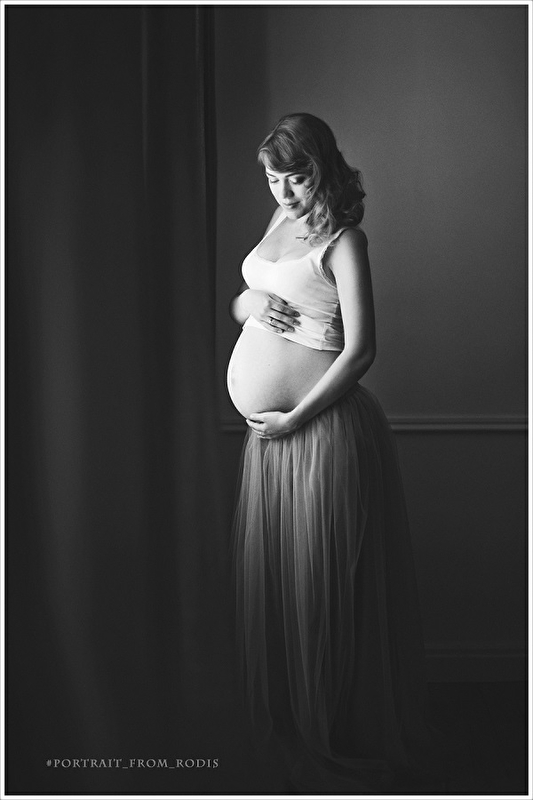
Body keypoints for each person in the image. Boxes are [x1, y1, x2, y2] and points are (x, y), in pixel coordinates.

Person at [227, 113, 444, 793]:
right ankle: (293, 717)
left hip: (318, 433)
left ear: (322, 170)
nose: (283, 191)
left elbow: (360, 350)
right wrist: (246, 304)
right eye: (272, 177)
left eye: (295, 177)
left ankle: (335, 725)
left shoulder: (345, 240)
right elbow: (249, 303)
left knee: (323, 585)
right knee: (284, 582)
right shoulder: (277, 219)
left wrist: (296, 417)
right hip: (273, 440)